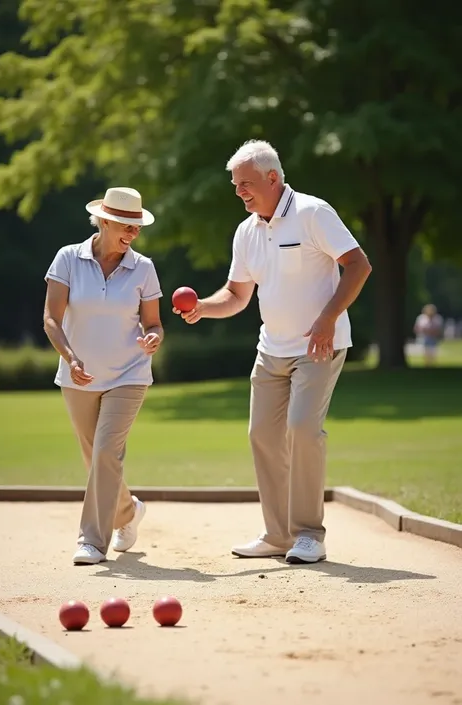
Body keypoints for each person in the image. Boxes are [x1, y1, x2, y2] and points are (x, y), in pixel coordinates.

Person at [174, 140, 372, 564]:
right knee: (262, 435)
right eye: (235, 185)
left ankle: (309, 535)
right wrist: (202, 309)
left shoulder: (312, 213)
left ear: (272, 178)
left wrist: (328, 317)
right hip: (271, 349)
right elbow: (236, 294)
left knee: (302, 429)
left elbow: (359, 264)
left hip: (318, 344)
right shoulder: (246, 231)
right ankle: (278, 534)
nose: (239, 191)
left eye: (245, 183)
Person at [43, 187, 164, 565]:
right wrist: (70, 357)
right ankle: (127, 512)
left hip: (129, 375)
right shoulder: (68, 258)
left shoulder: (143, 267)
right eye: (126, 225)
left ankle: (92, 541)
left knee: (106, 451)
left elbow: (155, 324)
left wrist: (152, 338)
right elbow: (51, 318)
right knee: (95, 458)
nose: (132, 233)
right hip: (78, 375)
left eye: (137, 227)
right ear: (105, 221)